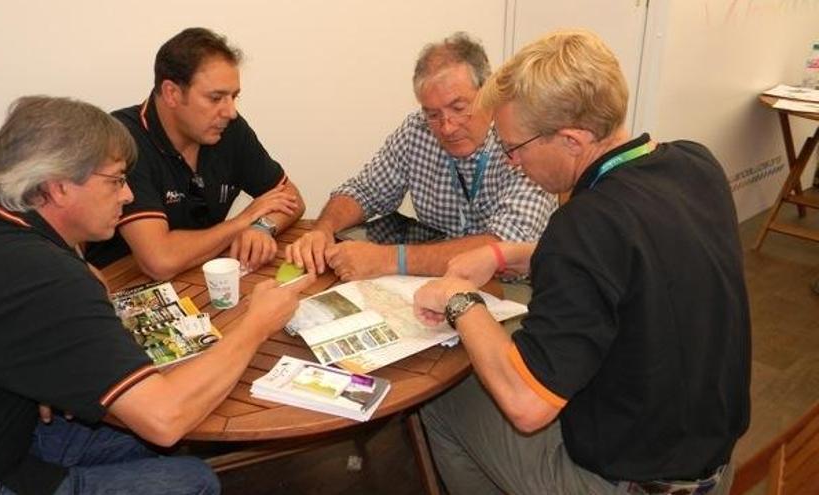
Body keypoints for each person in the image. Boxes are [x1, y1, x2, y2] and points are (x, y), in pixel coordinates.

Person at [413, 30, 750, 494]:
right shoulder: (695, 164)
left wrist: (459, 299)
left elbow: (526, 405)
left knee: (443, 401)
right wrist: (506, 254)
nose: (511, 162)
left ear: (571, 140)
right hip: (710, 463)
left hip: (629, 482)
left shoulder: (582, 225)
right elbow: (634, 259)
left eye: (514, 147)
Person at [0, 96, 313, 495]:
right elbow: (166, 419)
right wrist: (256, 324)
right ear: (59, 187)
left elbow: (66, 286)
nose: (129, 195)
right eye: (116, 180)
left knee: (143, 435)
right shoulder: (45, 278)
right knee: (191, 479)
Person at [285, 32, 556, 281]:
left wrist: (389, 259)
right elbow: (363, 191)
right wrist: (323, 229)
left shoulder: (523, 141)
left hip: (515, 291)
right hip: (433, 281)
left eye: (458, 108)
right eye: (433, 114)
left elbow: (503, 247)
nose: (446, 127)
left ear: (488, 92)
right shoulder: (417, 129)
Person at [86, 27, 305, 279]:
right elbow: (160, 260)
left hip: (199, 273)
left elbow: (291, 198)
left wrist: (262, 226)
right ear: (172, 93)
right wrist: (243, 221)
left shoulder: (227, 127)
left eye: (234, 97)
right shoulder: (122, 139)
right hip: (123, 284)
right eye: (216, 98)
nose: (230, 111)